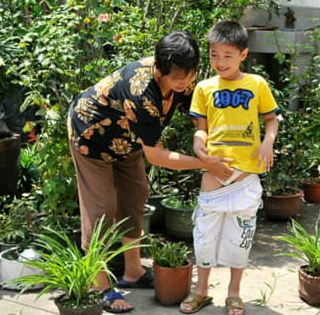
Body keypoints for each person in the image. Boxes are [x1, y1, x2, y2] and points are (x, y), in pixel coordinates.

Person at [67, 31, 233, 314]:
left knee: (136, 196)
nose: (184, 83)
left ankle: (133, 272)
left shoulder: (180, 78)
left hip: (126, 140)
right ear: (159, 69)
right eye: (177, 78)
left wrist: (201, 135)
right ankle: (100, 284)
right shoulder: (142, 90)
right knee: (102, 207)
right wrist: (206, 163)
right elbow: (156, 156)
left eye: (189, 76)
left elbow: (199, 113)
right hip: (91, 138)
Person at [180, 21, 279, 315]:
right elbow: (202, 129)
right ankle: (201, 291)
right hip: (212, 176)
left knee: (240, 238)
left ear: (243, 54)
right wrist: (199, 147)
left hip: (246, 176)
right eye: (213, 55)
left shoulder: (257, 84)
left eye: (227, 55)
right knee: (204, 237)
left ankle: (234, 293)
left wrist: (267, 143)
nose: (219, 62)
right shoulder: (203, 88)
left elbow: (271, 120)